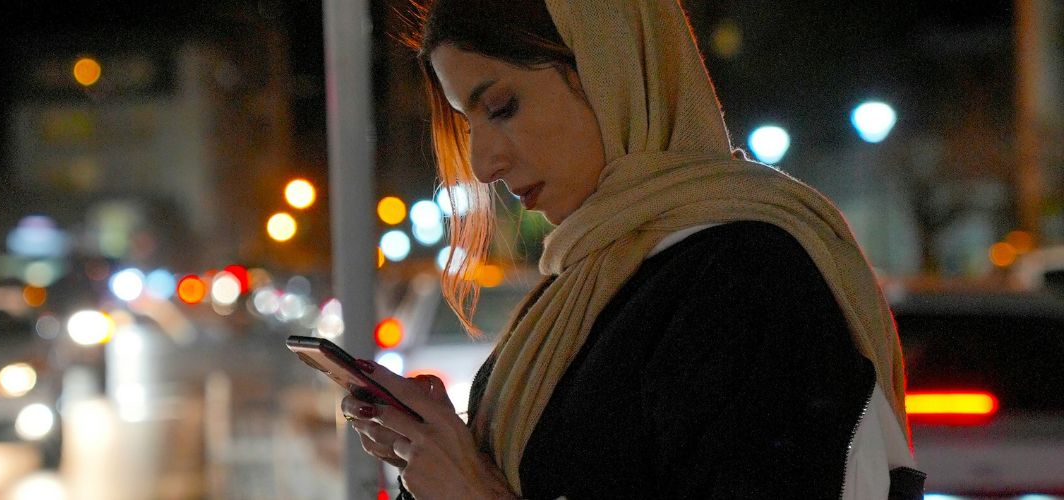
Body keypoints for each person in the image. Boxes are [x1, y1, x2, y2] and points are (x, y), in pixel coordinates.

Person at [341, 0, 926, 498]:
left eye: (501, 107)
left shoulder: (745, 278)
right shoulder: (583, 289)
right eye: (469, 125)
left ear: (610, 69)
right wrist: (441, 455)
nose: (482, 163)